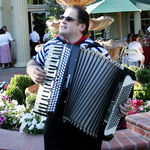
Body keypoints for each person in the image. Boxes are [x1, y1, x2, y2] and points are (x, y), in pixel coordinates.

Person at [26, 5, 132, 150]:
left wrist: (123, 104)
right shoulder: (52, 45)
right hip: (55, 122)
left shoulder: (97, 50)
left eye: (68, 19)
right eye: (62, 17)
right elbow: (33, 62)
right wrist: (31, 70)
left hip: (88, 126)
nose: (62, 21)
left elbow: (114, 85)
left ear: (82, 26)